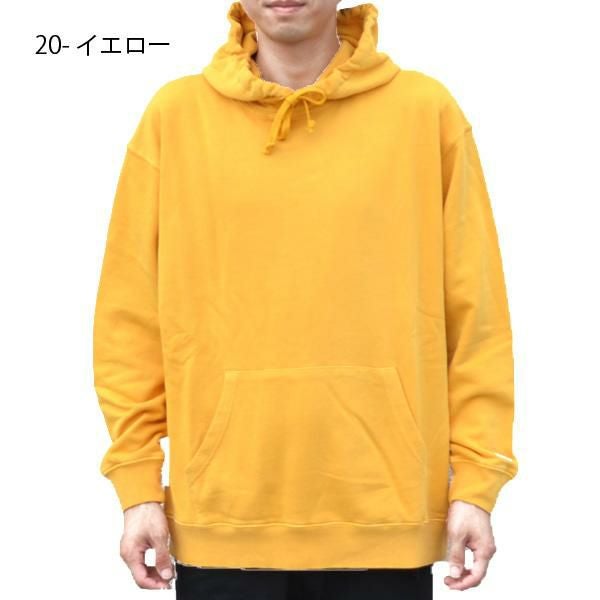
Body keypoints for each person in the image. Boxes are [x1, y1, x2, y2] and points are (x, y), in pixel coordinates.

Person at [92, 0, 519, 597]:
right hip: (222, 522)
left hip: (385, 522)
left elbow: (477, 317)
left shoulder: (425, 113)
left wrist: (476, 480)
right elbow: (129, 320)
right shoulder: (175, 118)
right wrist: (137, 485)